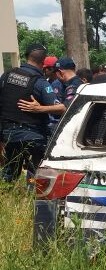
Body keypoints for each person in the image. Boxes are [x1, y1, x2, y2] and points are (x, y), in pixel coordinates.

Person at [0, 44, 61, 183]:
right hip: (34, 136)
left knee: (9, 176)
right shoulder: (40, 83)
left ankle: (8, 199)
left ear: (26, 56)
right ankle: (32, 200)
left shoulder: (6, 76)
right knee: (35, 177)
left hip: (9, 136)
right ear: (43, 61)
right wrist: (40, 109)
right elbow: (59, 108)